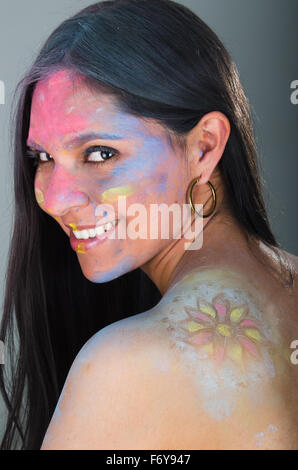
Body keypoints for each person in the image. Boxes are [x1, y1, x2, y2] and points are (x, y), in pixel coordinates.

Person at [1, 0, 297, 450]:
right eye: (43, 158)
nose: (55, 199)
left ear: (204, 147)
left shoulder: (126, 365)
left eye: (100, 153)